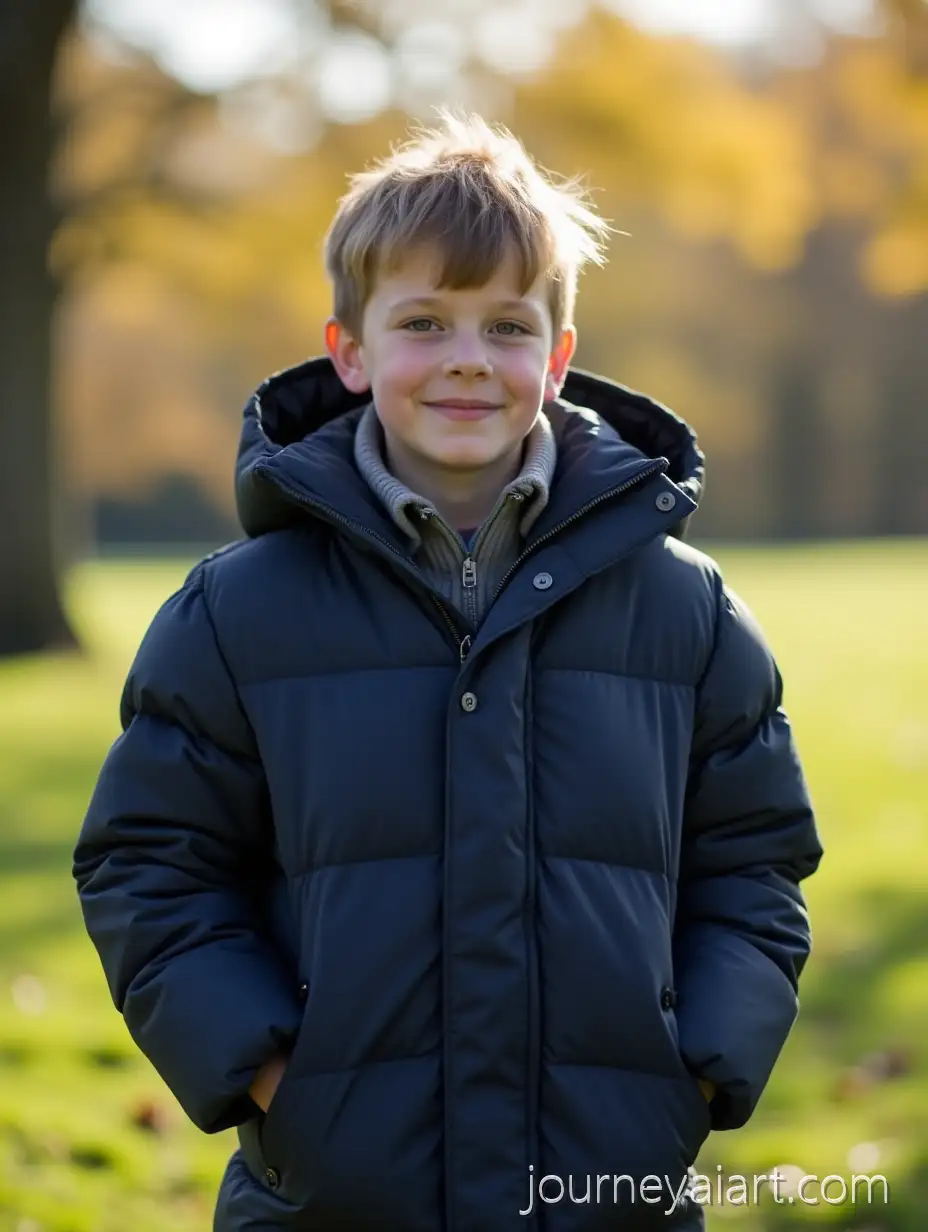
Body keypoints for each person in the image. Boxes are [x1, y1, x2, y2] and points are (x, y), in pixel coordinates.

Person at [72, 111, 823, 1231]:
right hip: (333, 1192)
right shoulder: (237, 611)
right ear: (350, 351)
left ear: (558, 358)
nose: (469, 357)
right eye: (423, 321)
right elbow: (150, 861)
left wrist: (702, 1067)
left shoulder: (685, 610)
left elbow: (753, 860)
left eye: (507, 325)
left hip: (607, 1188)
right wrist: (274, 1074)